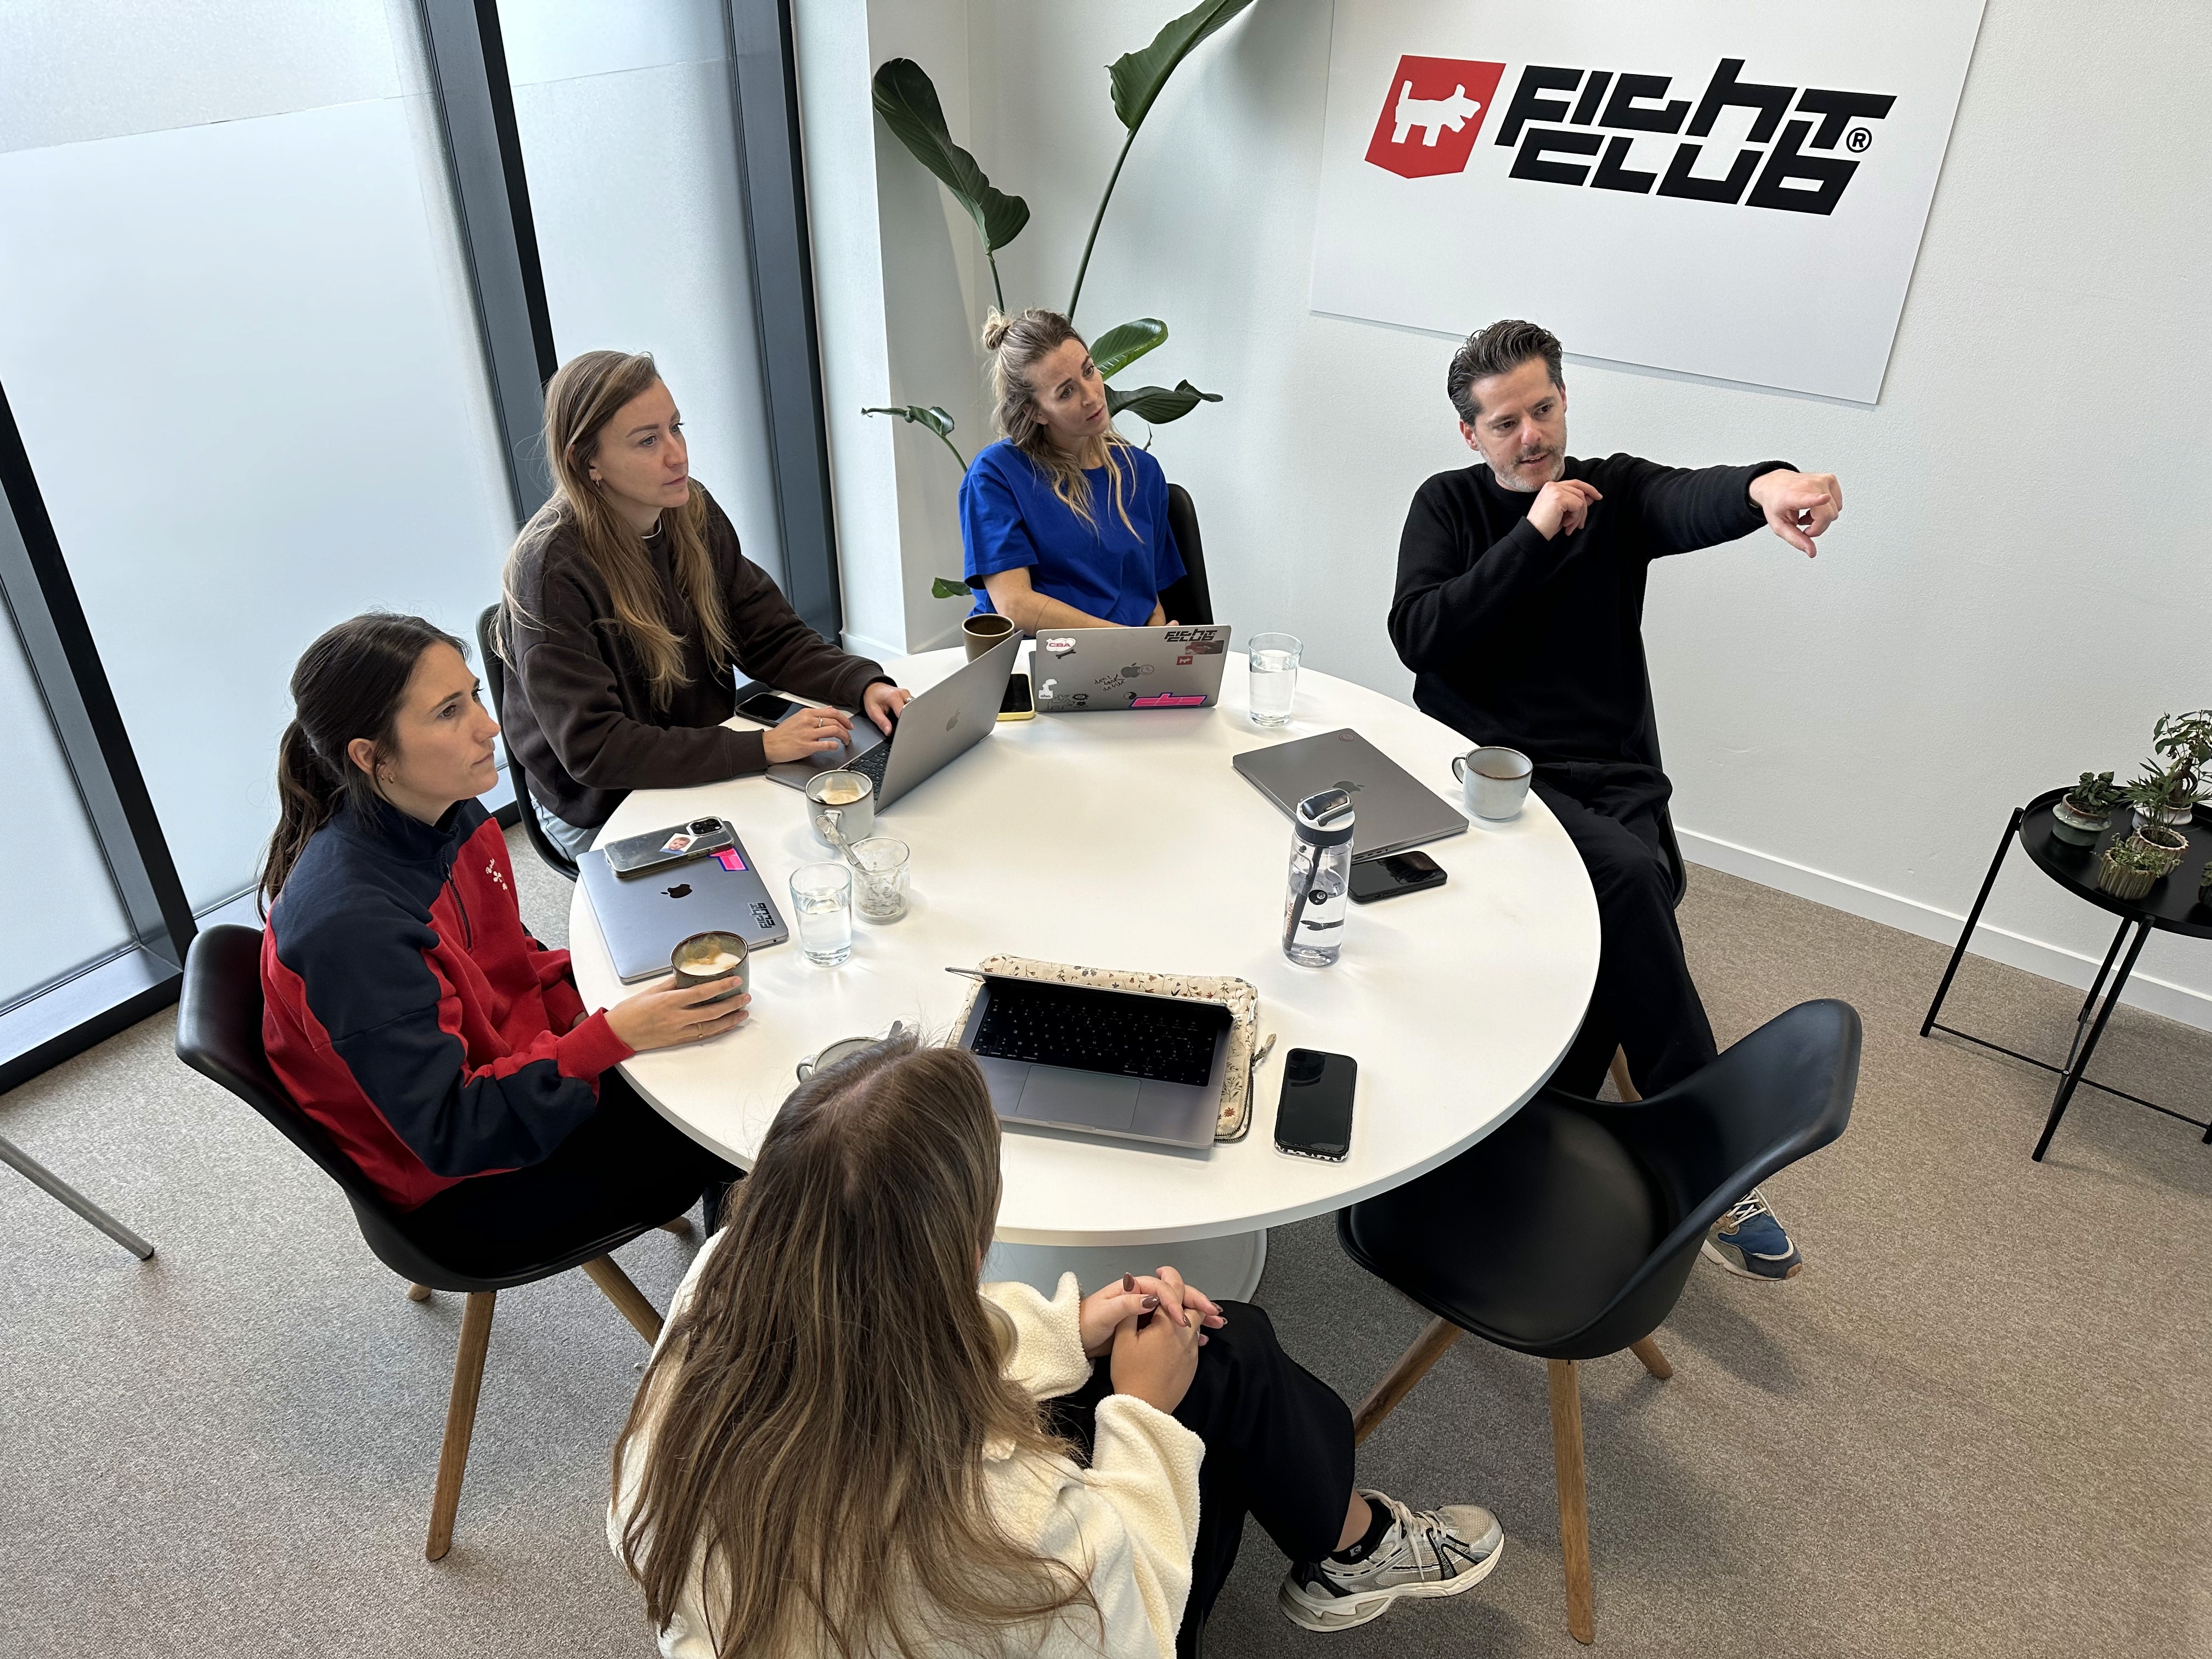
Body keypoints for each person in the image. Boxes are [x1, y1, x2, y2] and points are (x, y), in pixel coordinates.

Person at [610, 1032, 1503, 1658]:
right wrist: (1141, 1417)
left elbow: (889, 1331)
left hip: (849, 1559)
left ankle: (1342, 1537)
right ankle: (1346, 1541)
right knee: (1209, 1396)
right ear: (965, 1249)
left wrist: (1063, 1331)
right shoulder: (1009, 1524)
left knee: (1226, 1343)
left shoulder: (725, 1274)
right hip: (991, 1590)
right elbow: (1131, 1627)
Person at [1389, 319, 1843, 1282]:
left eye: (1544, 408)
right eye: (1506, 421)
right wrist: (1532, 532)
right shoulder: (1447, 506)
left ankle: (1524, 1141)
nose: (1532, 436)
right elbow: (1423, 637)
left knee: (1619, 918)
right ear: (1471, 434)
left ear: (1563, 399)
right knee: (1628, 885)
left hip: (1610, 774)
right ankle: (1706, 1148)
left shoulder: (1615, 491)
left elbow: (1697, 497)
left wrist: (1771, 486)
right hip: (1492, 777)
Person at [259, 613, 741, 1261]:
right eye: (449, 712)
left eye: (475, 697)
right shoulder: (351, 933)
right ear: (371, 757)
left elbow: (512, 962)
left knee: (726, 1031)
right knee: (747, 1118)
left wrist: (602, 1003)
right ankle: (747, 1306)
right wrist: (614, 1035)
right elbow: (458, 1133)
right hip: (471, 1190)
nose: (489, 727)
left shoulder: (448, 811)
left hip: (524, 1067)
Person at [500, 351, 913, 859]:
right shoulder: (551, 572)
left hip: (695, 750)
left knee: (848, 830)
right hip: (602, 801)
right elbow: (597, 749)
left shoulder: (689, 508)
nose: (677, 455)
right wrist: (760, 750)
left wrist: (862, 682)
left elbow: (767, 635)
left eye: (676, 428)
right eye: (648, 441)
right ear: (588, 462)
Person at [958, 308, 1185, 631]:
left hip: (1127, 665)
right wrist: (1125, 644)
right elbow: (1015, 606)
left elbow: (1146, 594)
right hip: (1037, 664)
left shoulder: (1141, 472)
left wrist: (1155, 639)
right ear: (1035, 412)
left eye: (1089, 371)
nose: (1092, 396)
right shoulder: (996, 476)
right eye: (1066, 392)